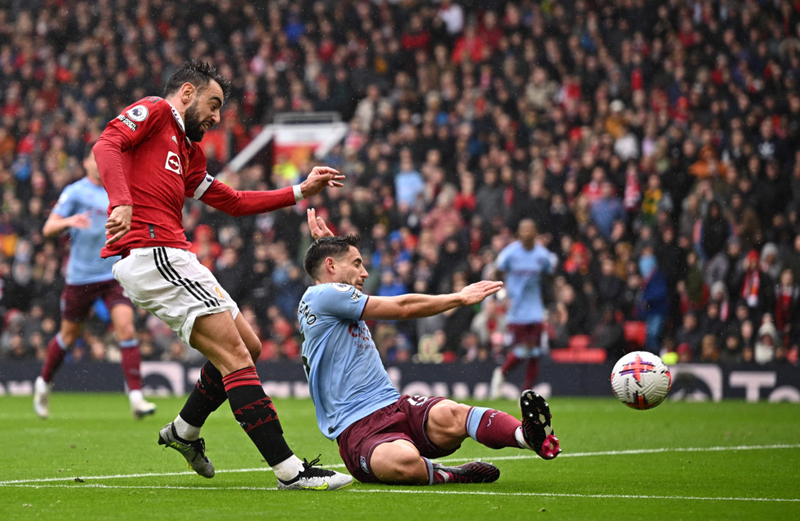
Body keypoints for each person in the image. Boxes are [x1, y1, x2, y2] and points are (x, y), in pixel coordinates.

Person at [92, 60, 351, 491]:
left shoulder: (189, 151)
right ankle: (290, 470)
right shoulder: (156, 111)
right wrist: (122, 200)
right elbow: (107, 144)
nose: (216, 117)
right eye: (213, 105)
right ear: (188, 93)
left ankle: (185, 430)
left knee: (248, 343)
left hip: (177, 253)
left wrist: (298, 192)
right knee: (236, 356)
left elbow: (230, 200)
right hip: (151, 251)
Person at [297, 209, 560, 486]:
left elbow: (331, 270)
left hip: (394, 405)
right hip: (357, 429)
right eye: (357, 263)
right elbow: (403, 306)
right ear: (330, 266)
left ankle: (526, 436)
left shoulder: (325, 299)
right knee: (404, 460)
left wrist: (330, 246)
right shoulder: (323, 295)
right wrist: (458, 298)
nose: (364, 273)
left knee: (454, 414)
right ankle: (449, 474)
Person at [33, 150, 157, 420]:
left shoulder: (119, 191)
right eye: (94, 159)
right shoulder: (75, 192)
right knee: (68, 336)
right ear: (86, 163)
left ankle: (136, 397)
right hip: (80, 277)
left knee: (126, 326)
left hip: (112, 274)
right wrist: (69, 221)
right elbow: (47, 228)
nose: (99, 163)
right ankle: (43, 383)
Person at [489, 219, 557, 399]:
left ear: (536, 233)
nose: (527, 234)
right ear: (519, 234)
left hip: (535, 309)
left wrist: (554, 303)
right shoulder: (510, 253)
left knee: (535, 353)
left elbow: (550, 277)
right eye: (524, 230)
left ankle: (525, 393)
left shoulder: (542, 256)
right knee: (521, 351)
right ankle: (501, 373)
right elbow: (496, 271)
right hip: (516, 310)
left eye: (530, 230)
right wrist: (500, 293)